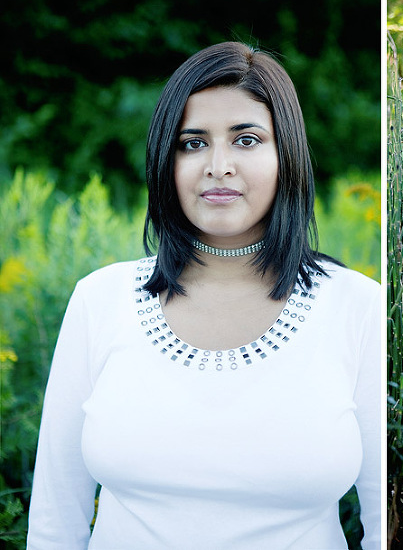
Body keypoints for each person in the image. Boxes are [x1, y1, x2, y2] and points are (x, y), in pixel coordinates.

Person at [27, 41, 381, 550]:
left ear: (287, 155)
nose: (218, 165)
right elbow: (55, 522)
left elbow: (381, 524)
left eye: (247, 139)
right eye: (192, 143)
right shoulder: (99, 300)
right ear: (164, 162)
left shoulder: (356, 306)